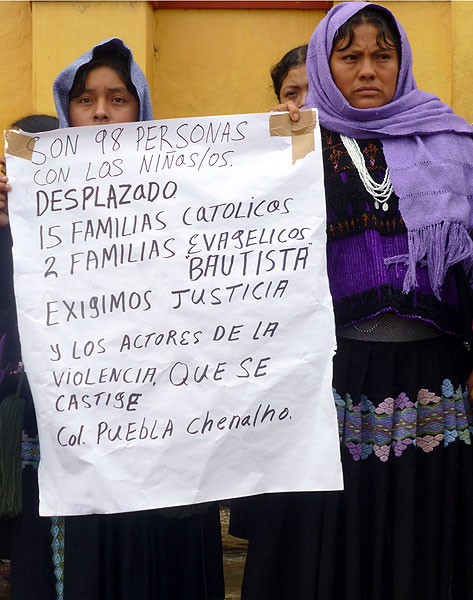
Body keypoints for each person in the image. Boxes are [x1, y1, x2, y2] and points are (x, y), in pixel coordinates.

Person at [231, 4, 473, 600]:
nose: (368, 70)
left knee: (422, 540)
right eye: (350, 57)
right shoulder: (295, 148)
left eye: (382, 55)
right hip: (328, 386)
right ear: (324, 65)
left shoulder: (453, 143)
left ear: (401, 62)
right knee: (331, 550)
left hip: (432, 386)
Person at [1, 39, 224, 600]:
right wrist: (10, 228)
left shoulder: (188, 196)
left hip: (159, 436)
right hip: (68, 443)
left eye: (118, 98)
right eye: (85, 99)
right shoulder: (25, 207)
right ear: (66, 110)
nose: (100, 112)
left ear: (140, 108)